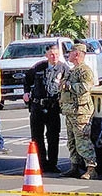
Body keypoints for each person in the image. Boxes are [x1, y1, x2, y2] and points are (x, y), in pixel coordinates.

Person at [24, 44, 69, 173]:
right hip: (37, 107)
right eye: (51, 54)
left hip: (53, 107)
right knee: (37, 137)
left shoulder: (63, 68)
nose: (53, 57)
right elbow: (27, 80)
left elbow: (69, 84)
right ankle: (41, 163)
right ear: (46, 55)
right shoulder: (39, 67)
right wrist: (26, 92)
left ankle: (52, 164)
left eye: (55, 54)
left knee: (53, 137)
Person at [59, 43, 97, 180]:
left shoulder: (85, 71)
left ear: (77, 54)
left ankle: (91, 168)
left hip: (81, 112)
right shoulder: (72, 70)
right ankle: (75, 166)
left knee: (83, 141)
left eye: (70, 52)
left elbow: (85, 87)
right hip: (70, 111)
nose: (68, 55)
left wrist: (68, 86)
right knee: (72, 142)